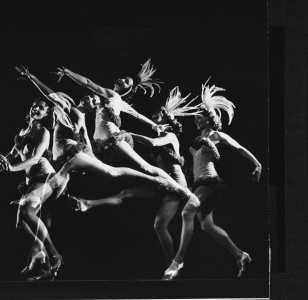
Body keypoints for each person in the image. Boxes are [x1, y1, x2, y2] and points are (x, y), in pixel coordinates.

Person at [70, 87, 201, 270]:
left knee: (159, 225)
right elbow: (139, 116)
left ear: (167, 120)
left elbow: (152, 142)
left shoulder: (170, 136)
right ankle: (88, 204)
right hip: (163, 182)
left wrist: (125, 134)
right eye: (154, 116)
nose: (154, 118)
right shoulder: (157, 132)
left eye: (157, 116)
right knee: (127, 193)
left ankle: (173, 265)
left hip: (176, 181)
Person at [53, 60, 196, 203]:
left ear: (128, 89)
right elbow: (138, 115)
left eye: (126, 81)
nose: (121, 80)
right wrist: (154, 125)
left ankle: (181, 188)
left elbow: (88, 83)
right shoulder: (119, 101)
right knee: (110, 171)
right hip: (101, 142)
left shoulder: (111, 95)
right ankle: (62, 180)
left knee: (145, 167)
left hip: (112, 137)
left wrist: (68, 73)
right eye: (122, 78)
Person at [163, 81, 262, 280]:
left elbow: (239, 148)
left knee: (187, 212)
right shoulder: (197, 138)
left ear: (209, 119)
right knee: (207, 226)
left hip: (211, 182)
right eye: (196, 119)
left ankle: (178, 259)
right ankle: (240, 255)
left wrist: (257, 163)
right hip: (199, 183)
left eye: (199, 118)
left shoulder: (217, 135)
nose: (197, 122)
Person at [0, 96, 65, 281]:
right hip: (31, 180)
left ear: (47, 113)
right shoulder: (23, 131)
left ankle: (54, 255)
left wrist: (13, 168)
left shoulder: (44, 132)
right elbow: (11, 155)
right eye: (35, 106)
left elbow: (35, 158)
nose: (37, 110)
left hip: (46, 176)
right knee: (20, 225)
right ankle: (46, 266)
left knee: (26, 210)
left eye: (41, 108)